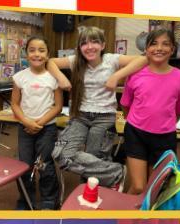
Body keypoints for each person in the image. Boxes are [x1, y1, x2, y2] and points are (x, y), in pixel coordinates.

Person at [47, 26, 147, 188]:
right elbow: (50, 62)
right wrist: (61, 78)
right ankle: (116, 172)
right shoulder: (75, 61)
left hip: (104, 118)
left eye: (95, 42)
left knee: (95, 157)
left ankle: (94, 191)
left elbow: (144, 59)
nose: (90, 47)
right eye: (84, 43)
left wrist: (117, 75)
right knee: (61, 154)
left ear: (103, 45)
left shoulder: (111, 60)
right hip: (80, 116)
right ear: (80, 47)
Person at [120, 29, 180, 193]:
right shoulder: (135, 74)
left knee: (154, 189)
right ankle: (124, 216)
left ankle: (148, 218)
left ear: (172, 49)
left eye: (165, 44)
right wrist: (135, 122)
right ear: (146, 49)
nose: (159, 48)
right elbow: (125, 104)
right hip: (136, 134)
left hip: (164, 138)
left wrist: (164, 124)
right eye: (154, 44)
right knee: (138, 186)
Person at [10, 36, 63, 209]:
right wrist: (27, 122)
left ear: (48, 55)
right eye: (32, 50)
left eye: (41, 50)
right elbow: (15, 104)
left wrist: (38, 123)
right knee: (25, 165)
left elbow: (58, 106)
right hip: (25, 128)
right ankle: (26, 199)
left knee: (44, 164)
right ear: (26, 54)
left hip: (46, 128)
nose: (36, 54)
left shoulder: (53, 78)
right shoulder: (19, 77)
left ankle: (49, 199)